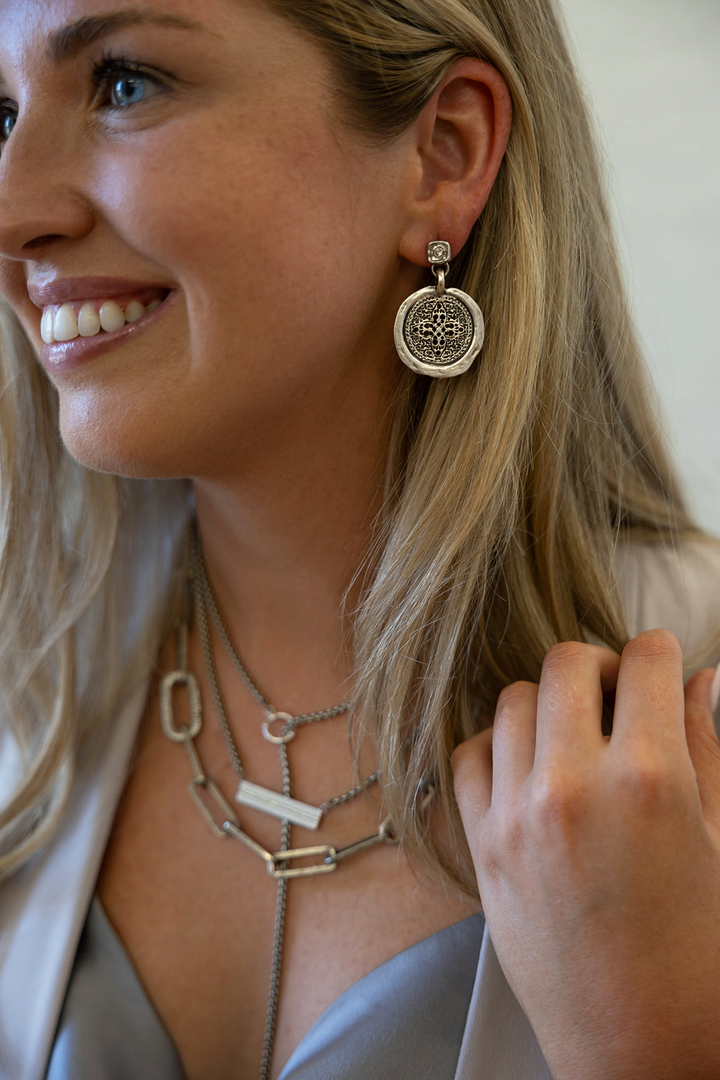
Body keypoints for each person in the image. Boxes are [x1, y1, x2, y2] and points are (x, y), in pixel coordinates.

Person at [0, 0, 718, 1078]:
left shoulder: (701, 690)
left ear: (443, 154)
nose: (12, 207)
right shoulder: (23, 694)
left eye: (124, 84)